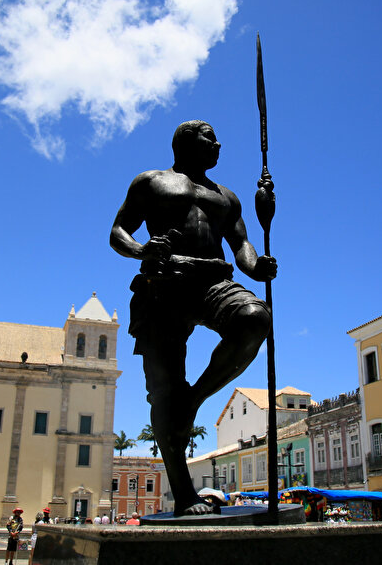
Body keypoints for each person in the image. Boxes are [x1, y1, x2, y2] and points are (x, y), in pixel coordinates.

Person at [110, 120, 276, 517]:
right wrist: (141, 251)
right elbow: (118, 231)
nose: (218, 145)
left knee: (255, 318)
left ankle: (194, 398)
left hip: (213, 280)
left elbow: (241, 245)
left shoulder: (228, 197)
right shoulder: (151, 182)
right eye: (209, 138)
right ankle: (184, 493)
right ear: (185, 142)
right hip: (163, 284)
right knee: (164, 393)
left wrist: (258, 266)